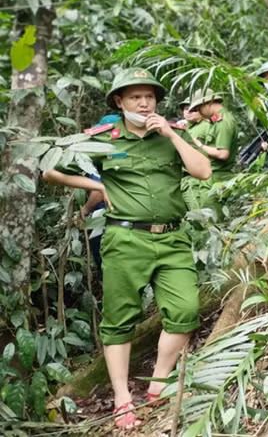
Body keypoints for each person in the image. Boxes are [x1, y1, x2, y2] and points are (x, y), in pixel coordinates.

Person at [42, 68, 211, 430]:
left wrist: (170, 133)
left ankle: (157, 384)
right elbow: (50, 171)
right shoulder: (104, 139)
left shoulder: (173, 134)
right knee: (119, 319)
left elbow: (203, 171)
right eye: (135, 96)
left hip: (173, 238)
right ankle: (122, 399)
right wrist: (97, 185)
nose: (144, 102)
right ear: (119, 102)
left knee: (185, 309)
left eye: (149, 96)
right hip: (125, 239)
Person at [80, 113, 122, 277]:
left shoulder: (105, 155)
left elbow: (99, 189)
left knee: (103, 257)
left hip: (104, 214)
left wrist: (85, 210)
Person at [187, 88, 238, 213]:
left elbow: (223, 153)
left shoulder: (223, 122)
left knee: (210, 221)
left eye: (199, 108)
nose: (198, 112)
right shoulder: (215, 121)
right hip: (211, 177)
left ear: (208, 103)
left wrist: (200, 146)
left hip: (217, 178)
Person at [179, 96, 210, 211]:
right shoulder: (183, 128)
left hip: (198, 179)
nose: (188, 112)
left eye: (193, 109)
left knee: (199, 214)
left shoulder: (207, 126)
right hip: (183, 178)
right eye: (186, 109)